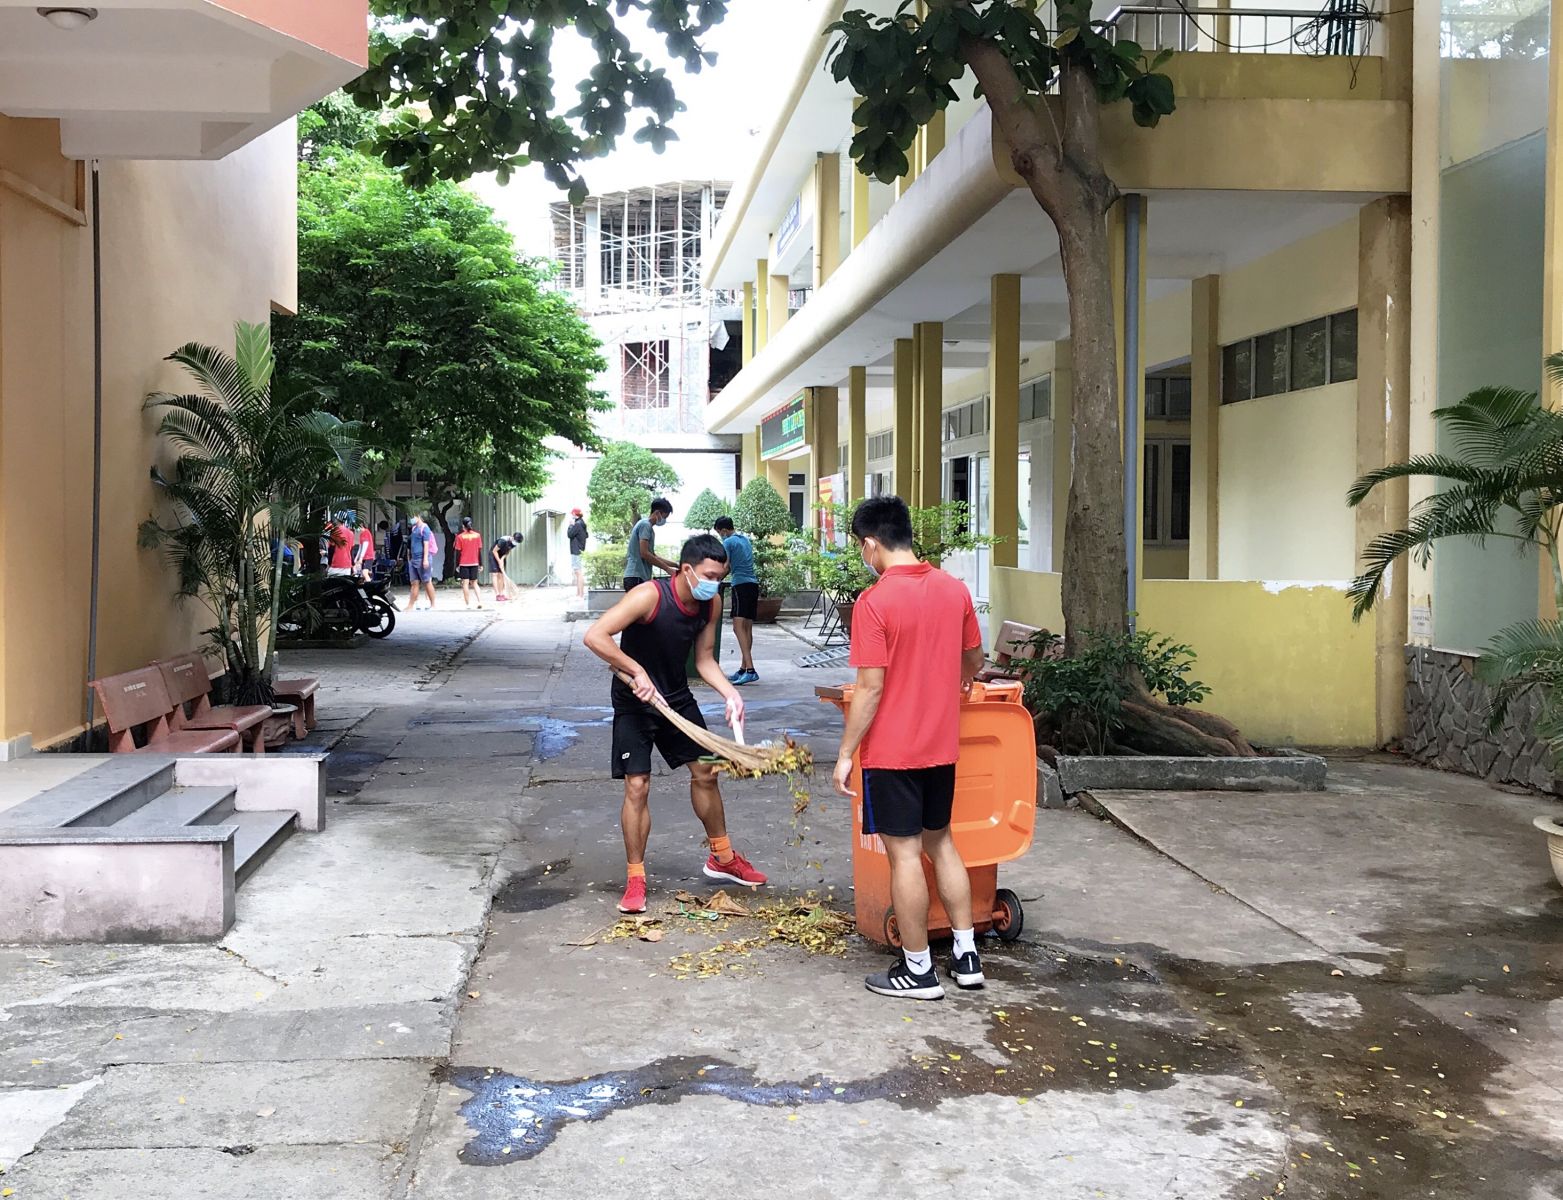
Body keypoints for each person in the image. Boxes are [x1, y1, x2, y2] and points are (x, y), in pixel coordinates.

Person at [831, 496, 986, 1002]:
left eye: (862, 548)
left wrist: (846, 752)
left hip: (894, 752)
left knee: (904, 856)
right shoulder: (953, 589)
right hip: (942, 747)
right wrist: (957, 684)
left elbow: (870, 688)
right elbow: (974, 659)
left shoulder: (874, 602)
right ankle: (966, 956)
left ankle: (918, 970)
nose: (864, 556)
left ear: (871, 543)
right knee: (942, 842)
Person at [583, 533, 768, 916]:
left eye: (721, 576)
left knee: (706, 772)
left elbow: (704, 659)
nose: (716, 583)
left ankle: (722, 857)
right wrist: (636, 670)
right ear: (686, 569)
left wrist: (730, 693)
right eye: (710, 575)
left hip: (677, 697)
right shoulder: (650, 595)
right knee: (638, 785)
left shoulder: (710, 602)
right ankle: (636, 877)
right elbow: (595, 635)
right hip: (635, 699)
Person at [713, 515, 760, 685]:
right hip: (752, 585)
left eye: (720, 532)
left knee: (737, 627)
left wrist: (714, 579)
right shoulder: (745, 540)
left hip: (740, 586)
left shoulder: (728, 542)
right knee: (747, 628)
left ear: (724, 530)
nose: (720, 536)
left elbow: (726, 567)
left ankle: (750, 669)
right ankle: (743, 667)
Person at [623, 498, 677, 592]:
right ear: (657, 513)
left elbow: (653, 556)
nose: (664, 520)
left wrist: (675, 565)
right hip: (636, 577)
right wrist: (667, 569)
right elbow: (644, 553)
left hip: (638, 577)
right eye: (664, 517)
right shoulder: (645, 525)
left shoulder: (647, 527)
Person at [405, 513, 440, 611]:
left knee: (427, 581)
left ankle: (433, 604)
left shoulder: (425, 529)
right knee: (414, 582)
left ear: (418, 517)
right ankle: (410, 605)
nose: (412, 519)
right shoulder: (414, 528)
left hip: (422, 559)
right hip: (414, 559)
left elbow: (426, 544)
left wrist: (425, 560)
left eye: (413, 517)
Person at [453, 516, 485, 609]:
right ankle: (480, 602)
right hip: (475, 562)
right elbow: (479, 551)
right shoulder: (477, 535)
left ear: (463, 526)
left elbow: (458, 552)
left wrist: (457, 565)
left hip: (464, 563)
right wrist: (481, 564)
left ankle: (468, 604)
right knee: (475, 583)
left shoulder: (460, 537)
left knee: (465, 583)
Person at [490, 531, 523, 602]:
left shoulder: (514, 544)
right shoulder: (503, 541)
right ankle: (497, 595)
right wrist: (499, 561)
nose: (516, 543)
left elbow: (507, 552)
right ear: (513, 538)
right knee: (495, 574)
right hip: (493, 554)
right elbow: (494, 551)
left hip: (501, 555)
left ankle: (502, 594)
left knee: (501, 575)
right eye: (516, 541)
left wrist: (502, 559)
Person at [567, 508, 589, 599]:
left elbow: (569, 534)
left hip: (576, 550)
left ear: (575, 515)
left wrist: (570, 526)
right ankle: (579, 594)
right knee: (578, 572)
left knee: (578, 572)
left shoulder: (577, 524)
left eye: (572, 514)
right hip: (580, 549)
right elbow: (586, 535)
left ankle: (580, 595)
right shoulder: (582, 523)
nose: (571, 516)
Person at [325, 513, 356, 578]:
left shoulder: (335, 532)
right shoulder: (351, 533)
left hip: (335, 565)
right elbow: (351, 551)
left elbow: (331, 550)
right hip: (347, 567)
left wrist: (328, 565)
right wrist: (353, 566)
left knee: (332, 586)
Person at [355, 516, 377, 582]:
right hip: (364, 557)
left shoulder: (366, 533)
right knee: (362, 574)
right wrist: (356, 558)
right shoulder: (362, 534)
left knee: (364, 572)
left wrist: (360, 557)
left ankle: (370, 586)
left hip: (368, 557)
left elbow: (365, 546)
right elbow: (360, 547)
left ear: (361, 525)